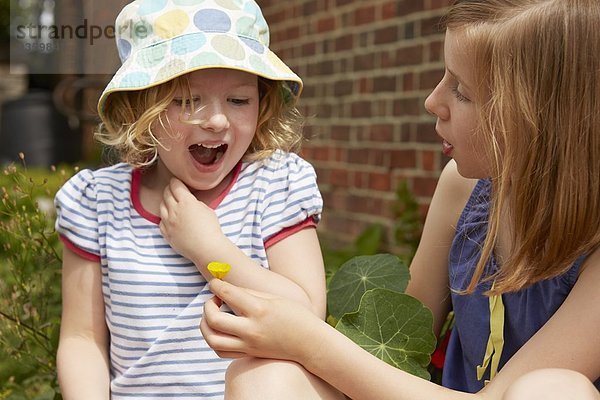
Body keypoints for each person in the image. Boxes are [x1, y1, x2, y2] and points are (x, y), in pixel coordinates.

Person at [189, 0, 600, 399]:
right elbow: (400, 341)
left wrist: (306, 339)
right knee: (263, 377)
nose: (432, 102)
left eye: (461, 91)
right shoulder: (462, 187)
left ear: (539, 118)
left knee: (553, 390)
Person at [53, 0, 344, 398]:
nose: (217, 120)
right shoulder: (99, 203)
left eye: (239, 100)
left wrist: (210, 250)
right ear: (142, 107)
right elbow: (83, 339)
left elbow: (307, 315)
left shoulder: (274, 185)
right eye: (188, 101)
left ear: (263, 105)